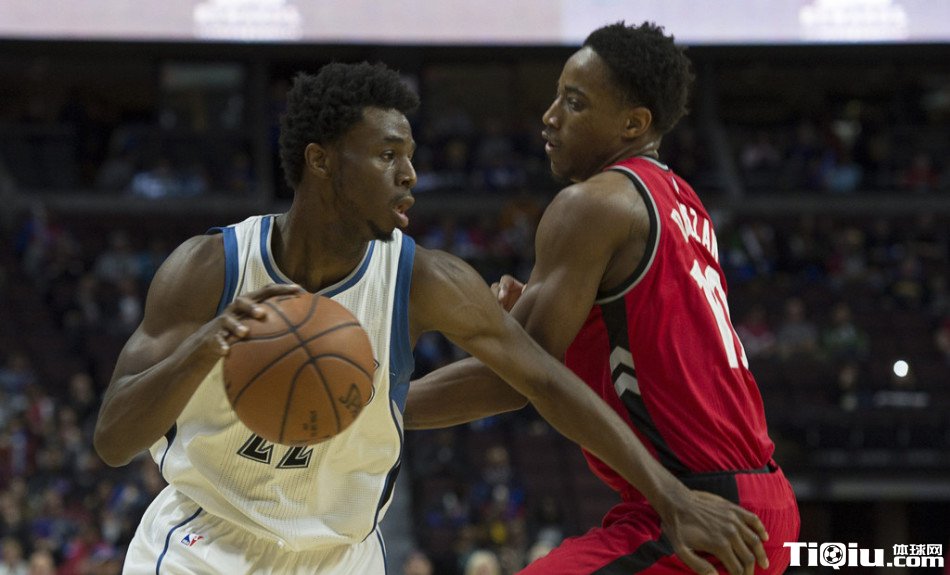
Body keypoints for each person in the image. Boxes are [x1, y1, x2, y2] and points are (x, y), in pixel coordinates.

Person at [94, 61, 767, 575]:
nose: (411, 174)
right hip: (202, 546)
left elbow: (542, 381)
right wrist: (206, 346)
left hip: (344, 557)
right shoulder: (210, 269)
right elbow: (114, 439)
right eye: (388, 155)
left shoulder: (425, 280)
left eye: (410, 155)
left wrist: (671, 496)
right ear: (320, 161)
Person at [406, 22, 800, 574]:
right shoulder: (682, 200)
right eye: (557, 97)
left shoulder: (593, 204)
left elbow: (513, 381)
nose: (550, 116)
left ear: (633, 124)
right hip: (757, 499)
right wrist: (550, 324)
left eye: (575, 103)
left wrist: (371, 410)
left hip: (699, 510)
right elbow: (644, 345)